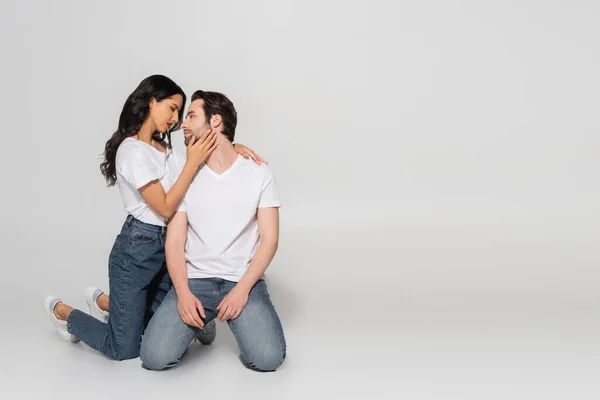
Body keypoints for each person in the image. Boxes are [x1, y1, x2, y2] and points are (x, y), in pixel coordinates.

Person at [44, 75, 264, 361]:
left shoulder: (166, 148)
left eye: (181, 112)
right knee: (124, 348)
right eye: (172, 108)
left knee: (159, 329)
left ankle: (108, 304)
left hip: (172, 248)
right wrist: (193, 162)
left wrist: (232, 147)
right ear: (151, 102)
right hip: (137, 250)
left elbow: (202, 159)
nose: (176, 118)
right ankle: (63, 313)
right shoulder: (131, 150)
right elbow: (164, 206)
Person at [139, 90, 286, 372]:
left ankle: (214, 315)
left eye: (191, 116)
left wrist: (242, 291)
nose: (182, 123)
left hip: (241, 280)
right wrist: (182, 293)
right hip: (194, 280)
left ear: (215, 121)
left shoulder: (259, 173)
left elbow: (270, 240)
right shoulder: (185, 177)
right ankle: (201, 324)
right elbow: (174, 242)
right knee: (154, 358)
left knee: (268, 360)